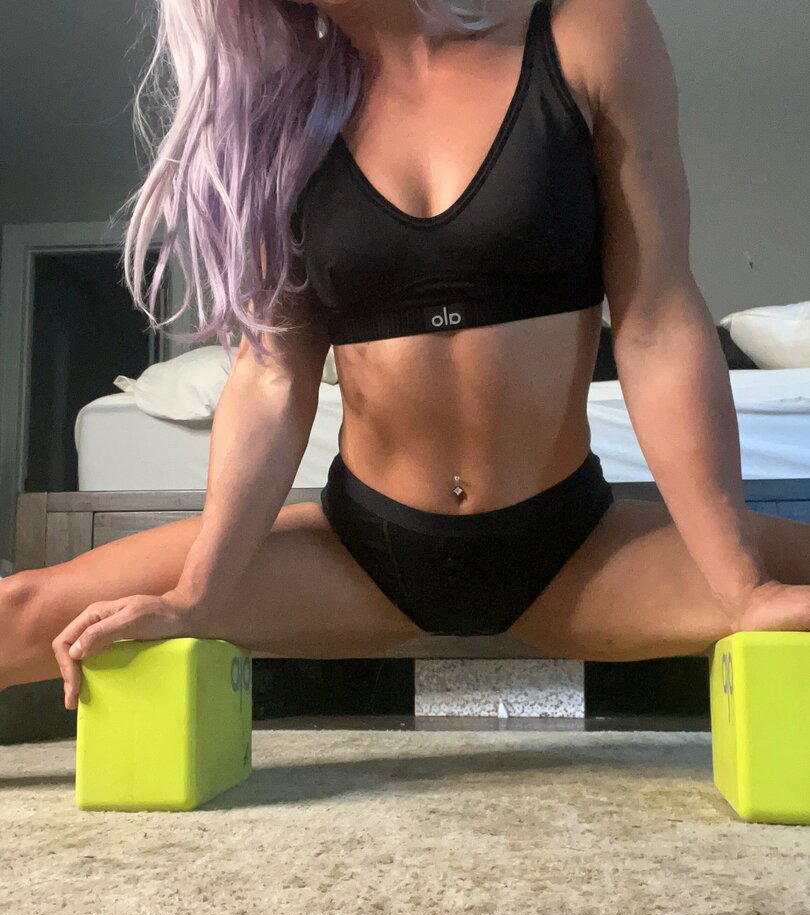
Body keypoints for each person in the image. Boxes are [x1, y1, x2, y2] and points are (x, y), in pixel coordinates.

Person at [2, 0, 809, 712]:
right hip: (364, 554)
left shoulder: (586, 32)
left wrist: (741, 588)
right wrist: (197, 595)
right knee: (23, 611)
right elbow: (275, 372)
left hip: (571, 550)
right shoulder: (284, 113)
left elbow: (656, 324)